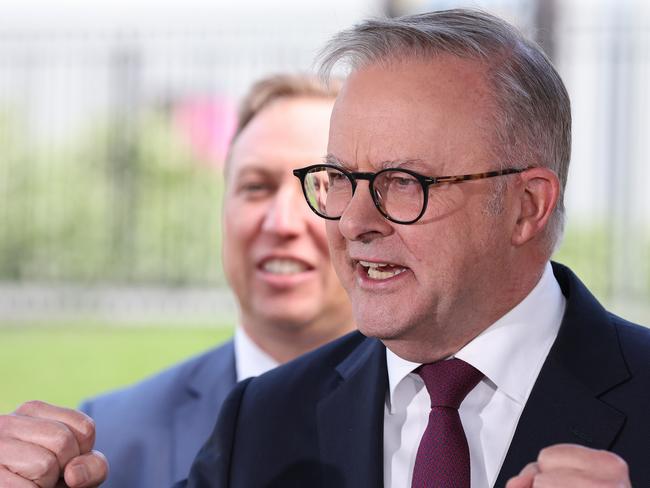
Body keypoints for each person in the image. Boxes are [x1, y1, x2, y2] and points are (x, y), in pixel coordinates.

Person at [178, 9, 650, 488]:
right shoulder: (262, 422)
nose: (353, 222)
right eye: (341, 178)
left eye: (403, 182)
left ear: (527, 206)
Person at [0, 74, 354, 488]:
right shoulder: (106, 441)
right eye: (256, 187)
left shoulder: (436, 422)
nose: (281, 223)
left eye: (321, 188)